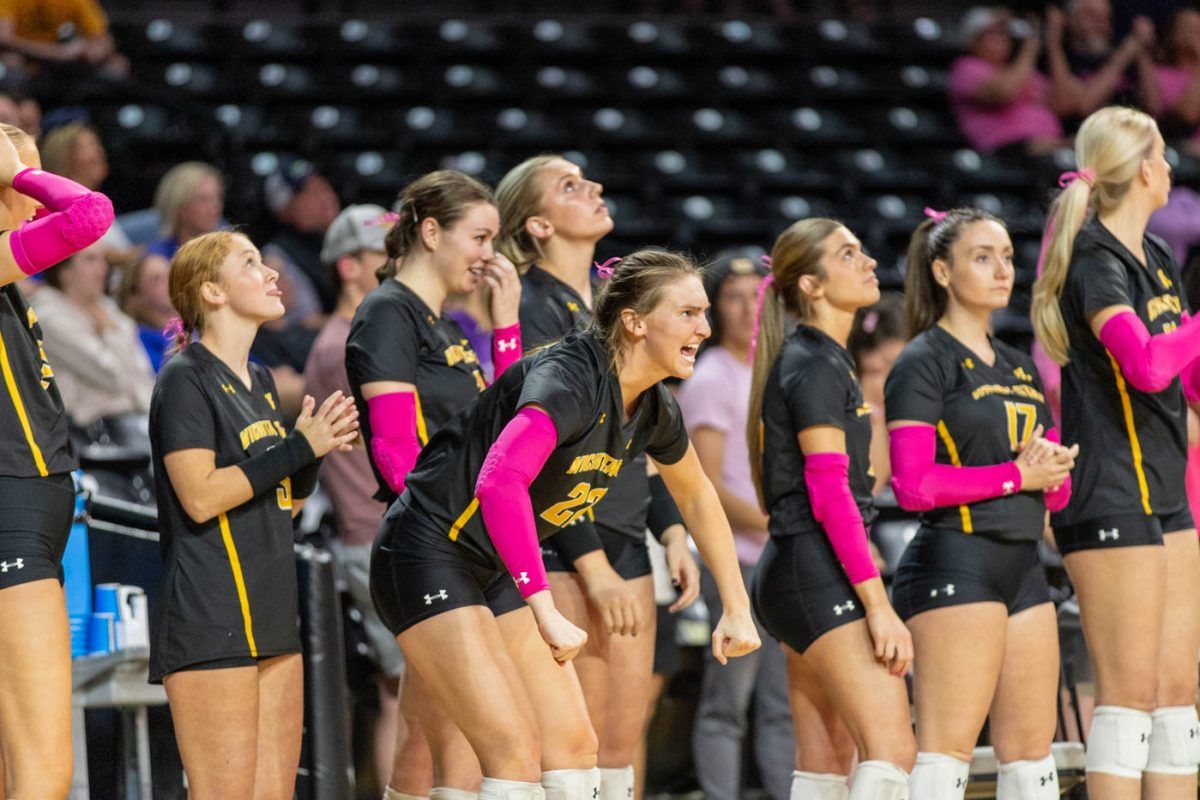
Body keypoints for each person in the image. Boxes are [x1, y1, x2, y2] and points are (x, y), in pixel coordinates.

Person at [370, 249, 760, 800]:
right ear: (635, 321)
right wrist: (545, 609)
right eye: (689, 313)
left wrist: (736, 606)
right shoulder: (570, 377)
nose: (705, 327)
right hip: (428, 549)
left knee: (575, 748)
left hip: (488, 565)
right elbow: (499, 483)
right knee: (506, 753)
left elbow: (697, 496)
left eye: (703, 313)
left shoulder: (653, 406)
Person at [496, 154, 700, 800]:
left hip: (625, 538)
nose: (596, 188)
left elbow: (648, 432)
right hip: (561, 548)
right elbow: (541, 466)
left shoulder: (610, 304)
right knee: (567, 750)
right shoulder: (533, 307)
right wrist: (595, 567)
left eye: (591, 179)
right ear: (536, 226)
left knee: (618, 747)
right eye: (570, 186)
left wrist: (669, 531)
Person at [148, 230, 358, 797]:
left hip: (270, 608)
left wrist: (314, 454)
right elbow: (201, 495)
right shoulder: (184, 378)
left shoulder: (262, 380)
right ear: (212, 291)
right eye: (251, 263)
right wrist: (298, 449)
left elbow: (283, 507)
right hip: (211, 615)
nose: (271, 274)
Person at [1031, 106, 1200, 799]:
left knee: (1177, 693)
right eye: (1161, 154)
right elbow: (1147, 366)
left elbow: (1183, 378)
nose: (1172, 167)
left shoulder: (1157, 258)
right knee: (1128, 696)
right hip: (1110, 491)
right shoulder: (1096, 258)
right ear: (1139, 169)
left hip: (1165, 487)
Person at [343, 171, 525, 800]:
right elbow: (394, 450)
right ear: (429, 231)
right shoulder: (389, 312)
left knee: (423, 744)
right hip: (433, 545)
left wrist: (506, 327)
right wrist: (444, 519)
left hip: (465, 542)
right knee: (473, 754)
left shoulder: (443, 323)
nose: (489, 254)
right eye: (479, 236)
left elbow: (506, 424)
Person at [886, 207, 1077, 799]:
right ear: (942, 272)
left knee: (1031, 756)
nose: (1002, 270)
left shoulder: (1021, 367)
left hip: (1023, 568)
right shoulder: (922, 360)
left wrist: (1052, 472)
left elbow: (1054, 492)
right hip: (955, 562)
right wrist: (1015, 476)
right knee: (947, 753)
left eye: (1007, 257)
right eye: (982, 257)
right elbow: (913, 485)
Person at [747, 218, 915, 800]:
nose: (868, 260)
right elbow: (831, 494)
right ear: (811, 285)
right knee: (894, 751)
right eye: (848, 253)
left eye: (862, 248)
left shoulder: (820, 358)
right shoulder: (814, 363)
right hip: (815, 570)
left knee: (828, 758)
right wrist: (878, 605)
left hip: (797, 569)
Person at [0, 121, 113, 796]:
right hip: (10, 516)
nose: (38, 199)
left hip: (29, 513)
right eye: (24, 182)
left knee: (18, 766)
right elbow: (89, 213)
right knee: (46, 771)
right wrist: (14, 172)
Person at [678, 251, 794, 800]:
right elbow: (705, 486)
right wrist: (779, 520)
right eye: (734, 296)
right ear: (713, 307)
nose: (750, 307)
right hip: (739, 558)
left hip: (776, 555)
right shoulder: (712, 376)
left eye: (760, 295)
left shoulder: (773, 367)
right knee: (729, 700)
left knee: (780, 700)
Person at [300, 204, 394, 788]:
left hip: (376, 529)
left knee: (408, 692)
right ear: (350, 267)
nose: (396, 268)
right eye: (385, 258)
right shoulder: (344, 347)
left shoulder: (354, 338)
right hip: (374, 533)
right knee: (405, 693)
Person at [30, 241, 155, 424]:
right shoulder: (49, 317)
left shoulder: (106, 307)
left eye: (103, 260)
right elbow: (113, 376)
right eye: (90, 260)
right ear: (64, 272)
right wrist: (109, 332)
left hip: (136, 419)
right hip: (94, 430)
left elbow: (141, 374)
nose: (103, 268)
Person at [948, 6, 1069, 155]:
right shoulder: (966, 67)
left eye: (1005, 33)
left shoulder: (1023, 70)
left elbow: (1064, 104)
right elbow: (1003, 93)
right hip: (1007, 149)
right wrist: (1030, 48)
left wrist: (1054, 45)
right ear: (973, 40)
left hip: (1048, 144)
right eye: (993, 33)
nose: (1002, 38)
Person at [39, 121, 133, 266]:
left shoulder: (97, 206)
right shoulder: (54, 211)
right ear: (64, 158)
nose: (100, 152)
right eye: (89, 145)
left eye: (97, 145)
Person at [1045, 1, 1156, 123]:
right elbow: (1082, 105)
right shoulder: (1062, 59)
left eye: (1106, 18)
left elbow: (1154, 106)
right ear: (1069, 19)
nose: (1101, 24)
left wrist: (1142, 49)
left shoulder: (1124, 55)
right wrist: (1123, 56)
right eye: (1092, 16)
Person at [847, 293, 907, 496]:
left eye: (898, 367)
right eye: (877, 370)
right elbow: (872, 484)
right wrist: (873, 411)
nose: (891, 379)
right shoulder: (858, 400)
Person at [0, 0, 129, 78]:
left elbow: (104, 38)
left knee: (116, 64)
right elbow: (4, 38)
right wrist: (57, 52)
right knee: (10, 60)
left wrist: (93, 50)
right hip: (26, 58)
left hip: (63, 61)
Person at [148, 161, 224, 260]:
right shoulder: (157, 260)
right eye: (204, 199)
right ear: (179, 207)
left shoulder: (230, 252)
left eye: (217, 197)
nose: (216, 206)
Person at [116, 251, 174, 372]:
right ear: (136, 296)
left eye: (171, 274)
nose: (170, 282)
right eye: (156, 279)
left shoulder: (197, 326)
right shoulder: (136, 343)